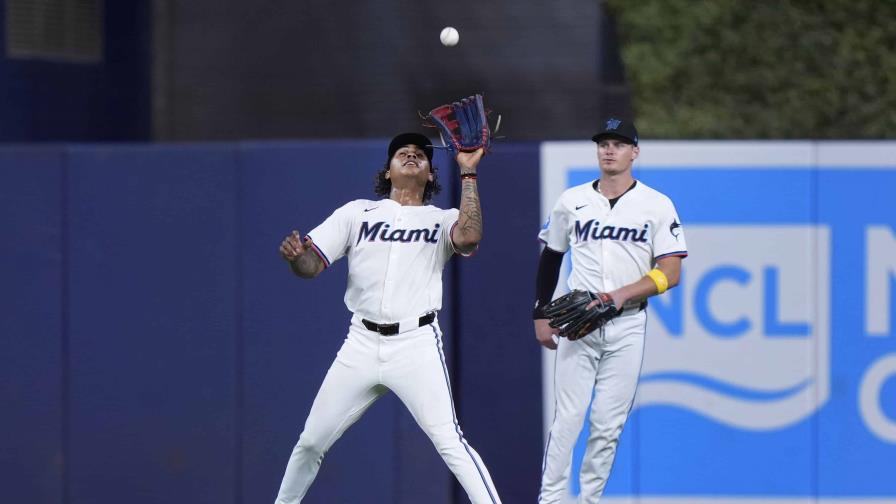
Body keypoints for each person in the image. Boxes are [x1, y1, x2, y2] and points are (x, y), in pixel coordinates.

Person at [274, 133, 501, 504]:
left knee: (450, 442)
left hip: (416, 344)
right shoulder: (357, 212)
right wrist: (297, 256)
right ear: (388, 170)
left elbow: (470, 236)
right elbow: (311, 266)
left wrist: (469, 174)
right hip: (360, 344)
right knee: (311, 441)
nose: (411, 155)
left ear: (430, 174)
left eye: (420, 155)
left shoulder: (441, 218)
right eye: (402, 153)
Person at [533, 118, 688, 503]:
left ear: (634, 152)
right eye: (603, 143)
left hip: (627, 324)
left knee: (606, 425)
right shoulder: (572, 200)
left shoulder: (656, 204)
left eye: (618, 144)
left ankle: (589, 501)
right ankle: (550, 500)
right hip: (578, 323)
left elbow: (671, 272)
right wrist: (539, 313)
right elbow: (552, 257)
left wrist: (620, 294)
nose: (609, 149)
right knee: (567, 421)